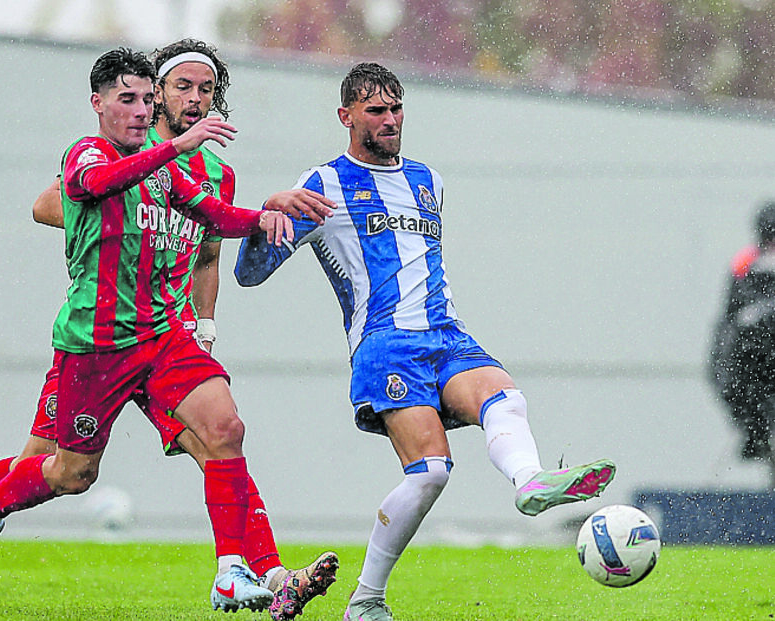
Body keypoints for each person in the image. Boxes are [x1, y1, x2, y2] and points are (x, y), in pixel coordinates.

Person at [0, 41, 338, 620]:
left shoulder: (207, 170)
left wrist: (259, 228)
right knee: (59, 468)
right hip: (95, 341)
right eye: (181, 88)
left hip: (164, 334)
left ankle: (259, 572)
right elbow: (56, 201)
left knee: (222, 436)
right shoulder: (109, 152)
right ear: (143, 99)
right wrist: (108, 223)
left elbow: (209, 243)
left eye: (205, 90)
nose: (194, 100)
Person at [234, 62, 616, 621]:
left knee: (504, 396)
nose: (390, 120)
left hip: (447, 334)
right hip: (387, 345)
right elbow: (250, 273)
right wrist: (267, 214)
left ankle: (531, 481)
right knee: (432, 471)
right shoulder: (323, 183)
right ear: (346, 117)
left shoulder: (428, 180)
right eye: (375, 111)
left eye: (396, 108)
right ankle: (365, 602)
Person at [709, 200, 775, 462]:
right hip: (752, 360)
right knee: (728, 374)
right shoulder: (746, 267)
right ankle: (756, 433)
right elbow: (731, 317)